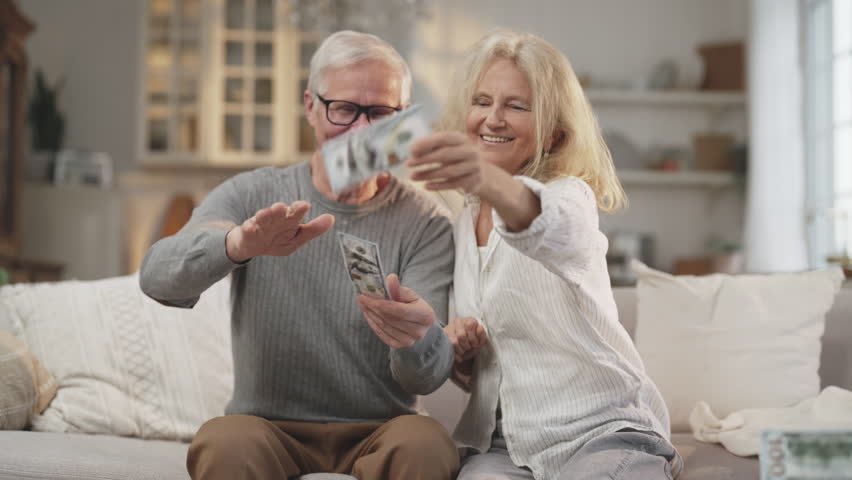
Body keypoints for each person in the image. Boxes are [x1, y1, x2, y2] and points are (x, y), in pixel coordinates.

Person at [361, 30, 683, 479]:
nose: (493, 119)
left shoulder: (570, 197)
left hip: (602, 433)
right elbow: (489, 371)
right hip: (504, 446)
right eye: (482, 101)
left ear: (553, 135)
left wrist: (485, 177)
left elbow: (546, 222)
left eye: (516, 106)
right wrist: (458, 352)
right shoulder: (462, 223)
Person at [139, 30, 459, 480]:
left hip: (383, 429)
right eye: (344, 109)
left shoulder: (427, 221)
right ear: (311, 106)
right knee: (223, 441)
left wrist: (416, 339)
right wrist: (236, 246)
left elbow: (426, 377)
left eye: (380, 113)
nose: (361, 130)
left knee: (427, 444)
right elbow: (155, 276)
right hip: (266, 427)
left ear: (402, 118)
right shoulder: (253, 193)